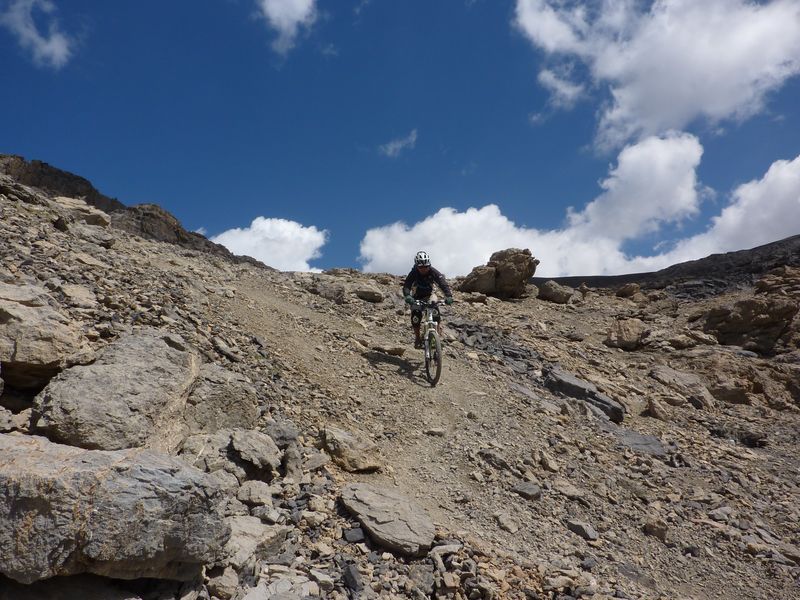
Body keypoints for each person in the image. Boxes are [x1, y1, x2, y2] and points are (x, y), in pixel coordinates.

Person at [402, 251, 453, 348]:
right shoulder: (414, 273)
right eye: (421, 267)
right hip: (417, 297)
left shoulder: (433, 271)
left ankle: (436, 336)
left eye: (426, 266)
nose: (424, 269)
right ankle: (417, 338)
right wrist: (407, 296)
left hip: (429, 295)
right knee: (416, 316)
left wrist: (448, 296)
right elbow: (407, 285)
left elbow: (443, 284)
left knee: (435, 311)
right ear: (417, 266)